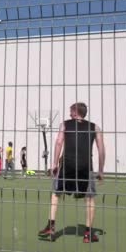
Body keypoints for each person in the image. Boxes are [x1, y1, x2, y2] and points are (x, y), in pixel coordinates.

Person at [39, 102, 105, 243]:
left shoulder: (64, 125)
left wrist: (55, 164)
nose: (69, 114)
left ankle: (51, 225)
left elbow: (58, 142)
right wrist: (100, 170)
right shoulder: (95, 128)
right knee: (90, 198)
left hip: (67, 165)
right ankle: (88, 233)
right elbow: (101, 150)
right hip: (85, 167)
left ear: (75, 113)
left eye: (71, 112)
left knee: (56, 193)